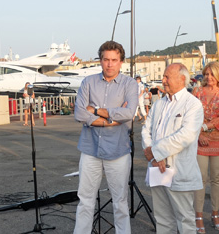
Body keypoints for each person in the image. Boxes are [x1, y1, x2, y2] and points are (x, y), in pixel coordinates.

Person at [73, 41, 138, 234]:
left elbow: (128, 113)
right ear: (100, 60)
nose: (110, 64)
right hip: (90, 149)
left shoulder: (130, 84)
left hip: (118, 151)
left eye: (114, 60)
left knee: (120, 201)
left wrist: (97, 111)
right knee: (85, 199)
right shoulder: (88, 82)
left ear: (121, 62)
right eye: (106, 60)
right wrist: (109, 120)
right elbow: (80, 114)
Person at [141, 63, 203, 233]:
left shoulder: (193, 104)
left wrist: (155, 152)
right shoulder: (159, 104)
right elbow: (146, 130)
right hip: (157, 168)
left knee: (185, 219)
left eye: (167, 77)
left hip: (178, 170)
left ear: (182, 79)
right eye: (164, 76)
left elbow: (185, 136)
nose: (163, 80)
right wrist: (152, 156)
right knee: (162, 219)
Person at [191, 61, 219, 232]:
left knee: (216, 178)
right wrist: (199, 133)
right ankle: (198, 216)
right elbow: (190, 115)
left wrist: (206, 127)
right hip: (199, 140)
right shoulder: (197, 92)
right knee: (200, 178)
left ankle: (215, 214)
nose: (209, 77)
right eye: (206, 74)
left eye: (212, 74)